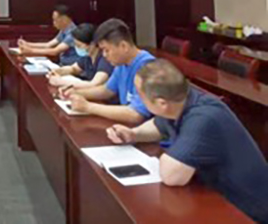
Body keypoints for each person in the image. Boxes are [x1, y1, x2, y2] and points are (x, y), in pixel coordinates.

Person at [107, 59, 268, 223]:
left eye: (141, 95)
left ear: (161, 103)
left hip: (247, 212)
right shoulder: (180, 99)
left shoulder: (204, 118)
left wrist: (170, 158)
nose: (138, 99)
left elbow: (172, 176)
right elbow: (160, 124)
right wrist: (133, 134)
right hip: (217, 197)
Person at [58, 18, 155, 125]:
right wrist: (75, 92)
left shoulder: (148, 67)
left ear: (123, 46)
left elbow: (136, 115)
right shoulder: (122, 63)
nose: (104, 55)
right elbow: (107, 90)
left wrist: (88, 107)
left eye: (106, 50)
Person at [47, 23, 114, 88]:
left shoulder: (105, 59)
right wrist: (58, 71)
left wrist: (61, 81)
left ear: (92, 44)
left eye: (79, 45)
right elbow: (74, 69)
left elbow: (94, 84)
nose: (77, 48)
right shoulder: (87, 57)